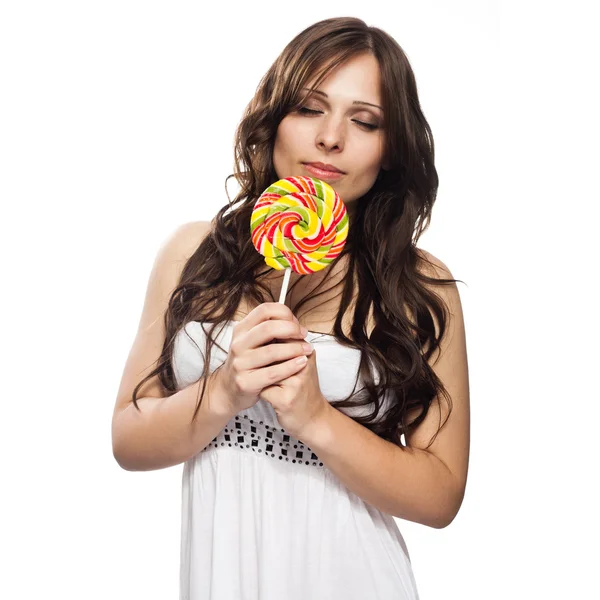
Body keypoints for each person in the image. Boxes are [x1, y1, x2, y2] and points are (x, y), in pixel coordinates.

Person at [112, 16, 470, 600]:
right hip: (222, 577)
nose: (331, 137)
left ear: (390, 147)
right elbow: (129, 439)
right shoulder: (191, 254)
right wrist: (225, 390)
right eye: (309, 108)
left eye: (365, 120)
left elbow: (441, 495)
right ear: (274, 118)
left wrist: (314, 416)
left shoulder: (421, 286)